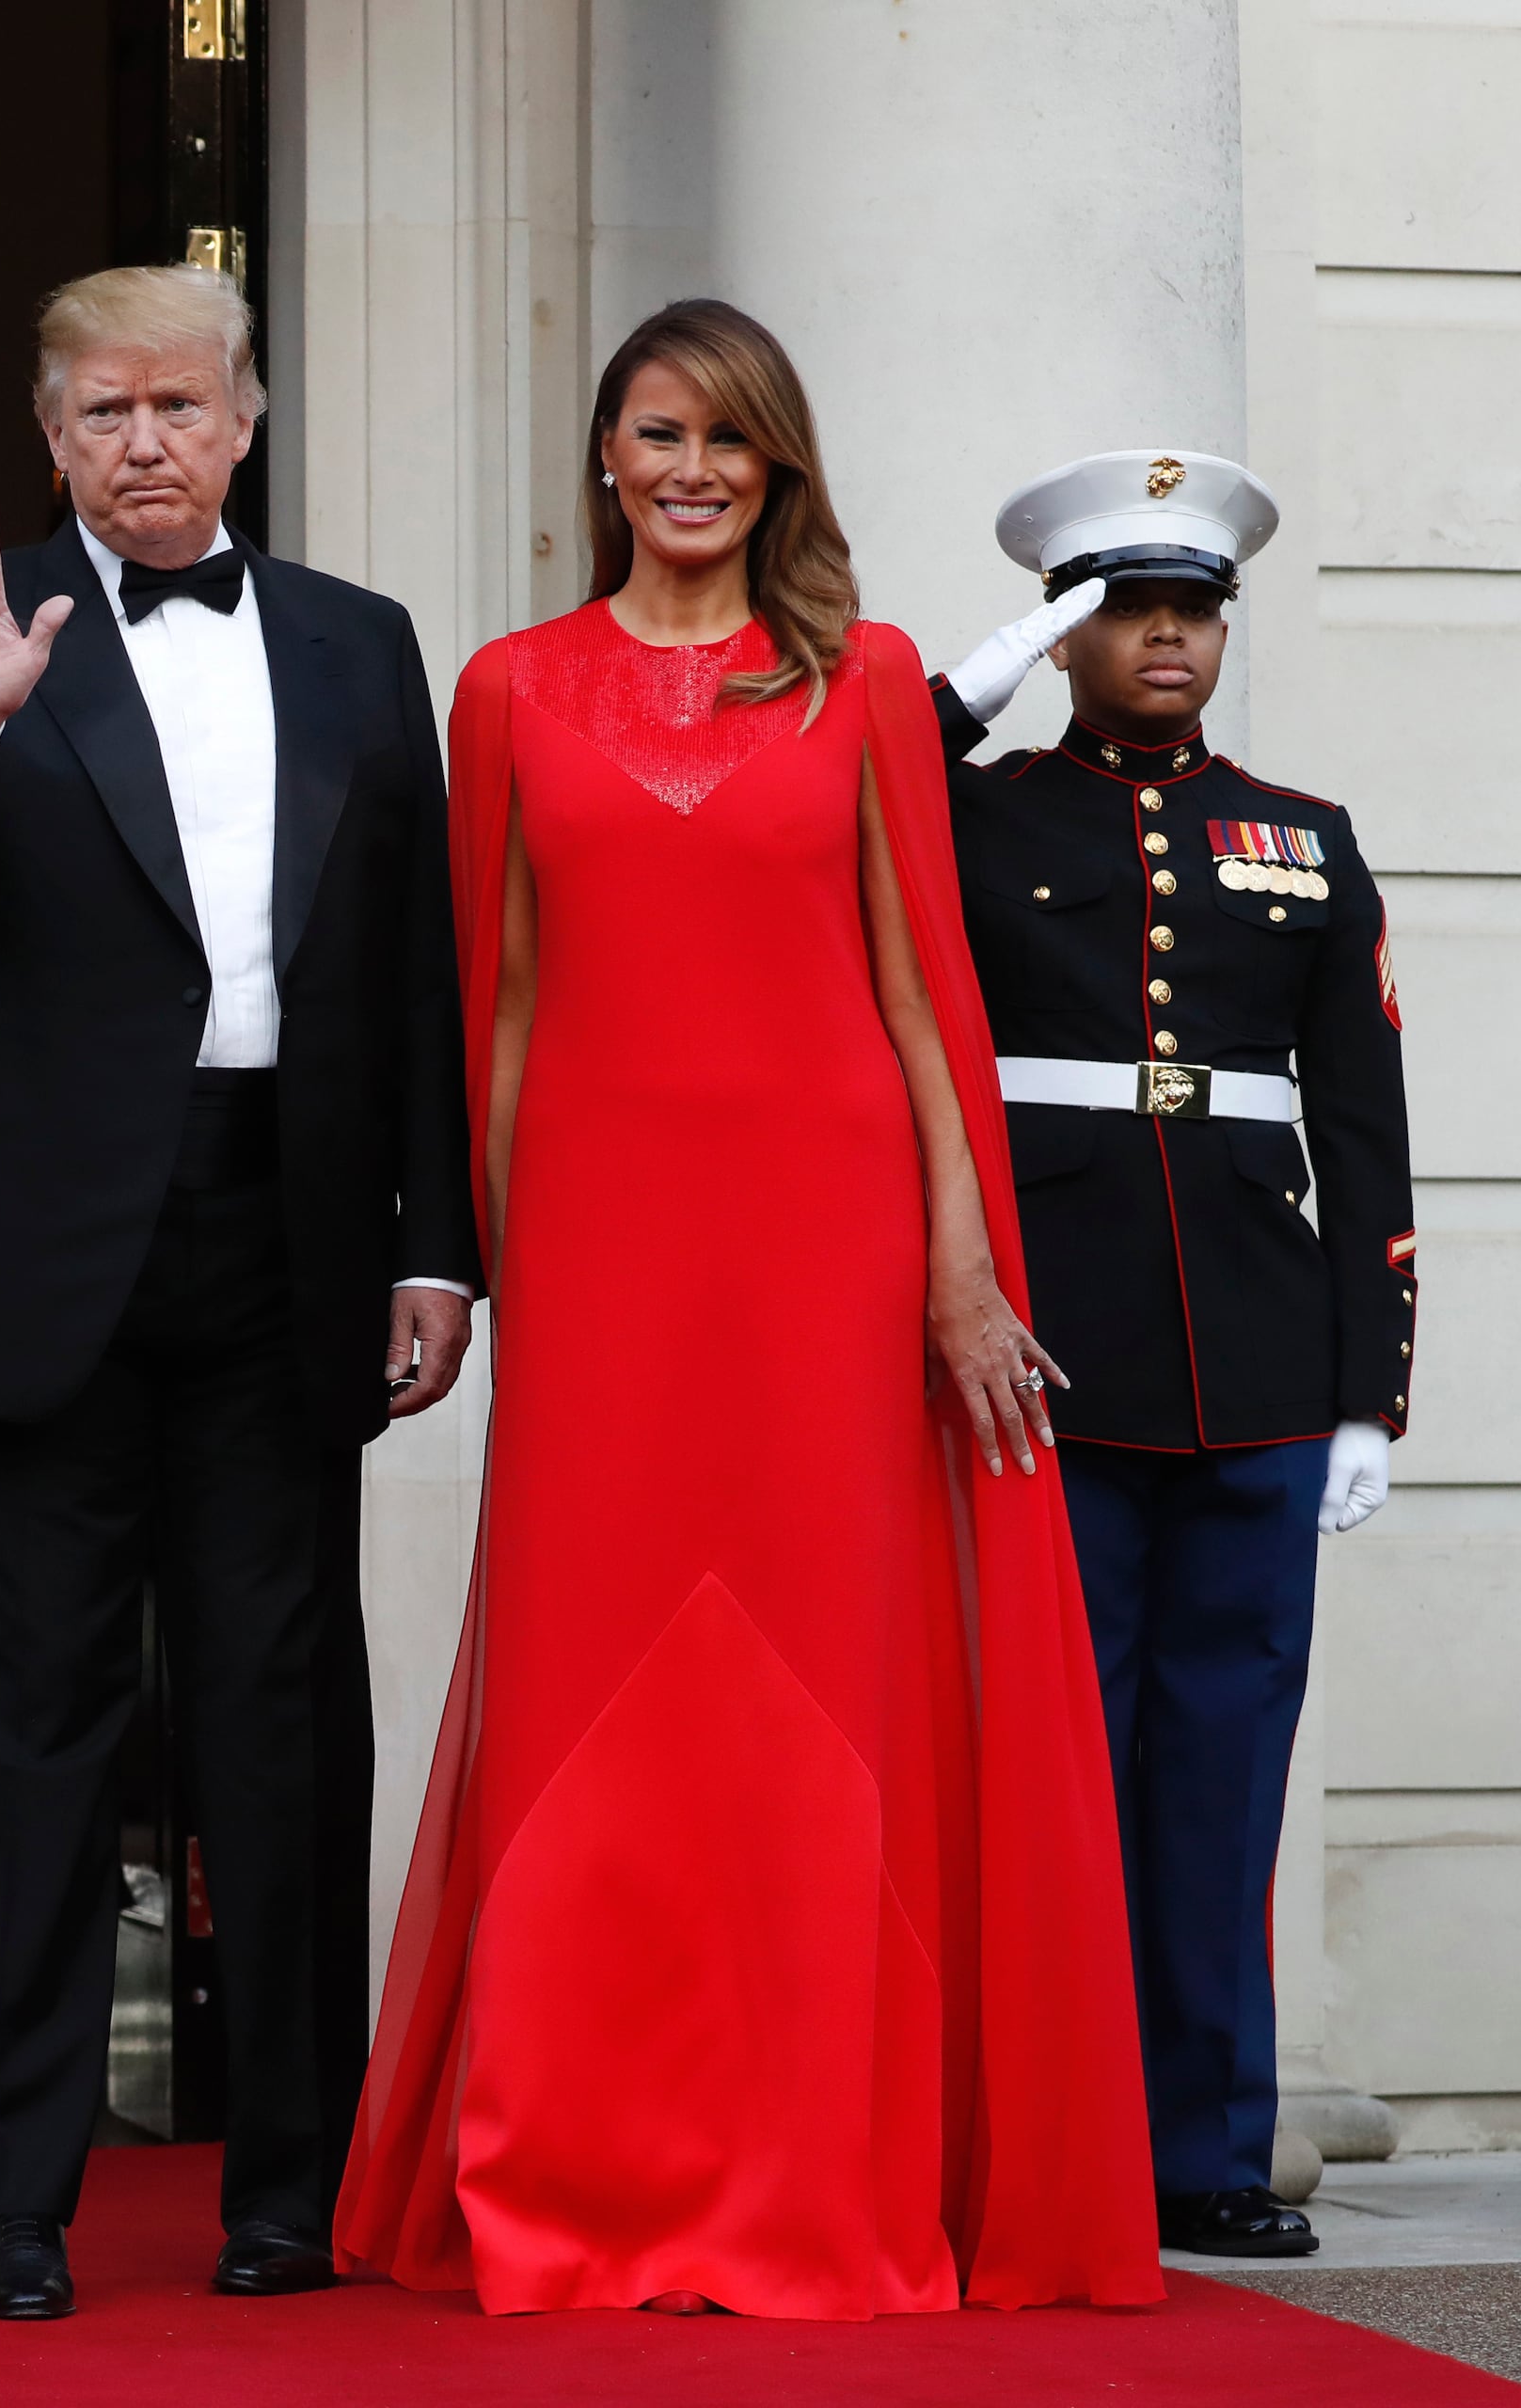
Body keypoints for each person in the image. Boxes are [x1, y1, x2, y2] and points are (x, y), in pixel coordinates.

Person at [333, 301, 1165, 2317]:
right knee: (582, 1677)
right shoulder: (508, 691)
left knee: (834, 1681)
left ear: (778, 467)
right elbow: (503, 1000)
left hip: (838, 1253)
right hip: (607, 1270)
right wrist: (504, 1273)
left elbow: (920, 1001)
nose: (692, 466)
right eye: (656, 430)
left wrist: (963, 1270)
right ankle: (575, 2164)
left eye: (730, 437)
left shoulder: (865, 681)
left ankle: (820, 2162)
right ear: (602, 457)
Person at [0, 263, 478, 2321]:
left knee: (281, 1726)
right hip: (32, 1260)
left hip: (284, 1234)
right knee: (20, 1732)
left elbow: (418, 964)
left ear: (250, 417)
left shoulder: (364, 647)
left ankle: (290, 2182)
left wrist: (436, 1233)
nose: (145, 442)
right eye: (103, 412)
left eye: (181, 406)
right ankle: (16, 2198)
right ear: (50, 435)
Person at [933, 452, 1410, 2260]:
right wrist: (966, 681)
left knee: (1222, 1770)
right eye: (1128, 610)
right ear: (1067, 641)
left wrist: (1370, 1391)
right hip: (1042, 1356)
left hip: (1261, 1368)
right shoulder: (976, 813)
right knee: (1051, 1770)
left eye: (1192, 610)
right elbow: (834, 797)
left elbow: (1362, 1123)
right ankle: (1044, 2141)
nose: (1166, 639)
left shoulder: (1302, 831)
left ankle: (1203, 2151)